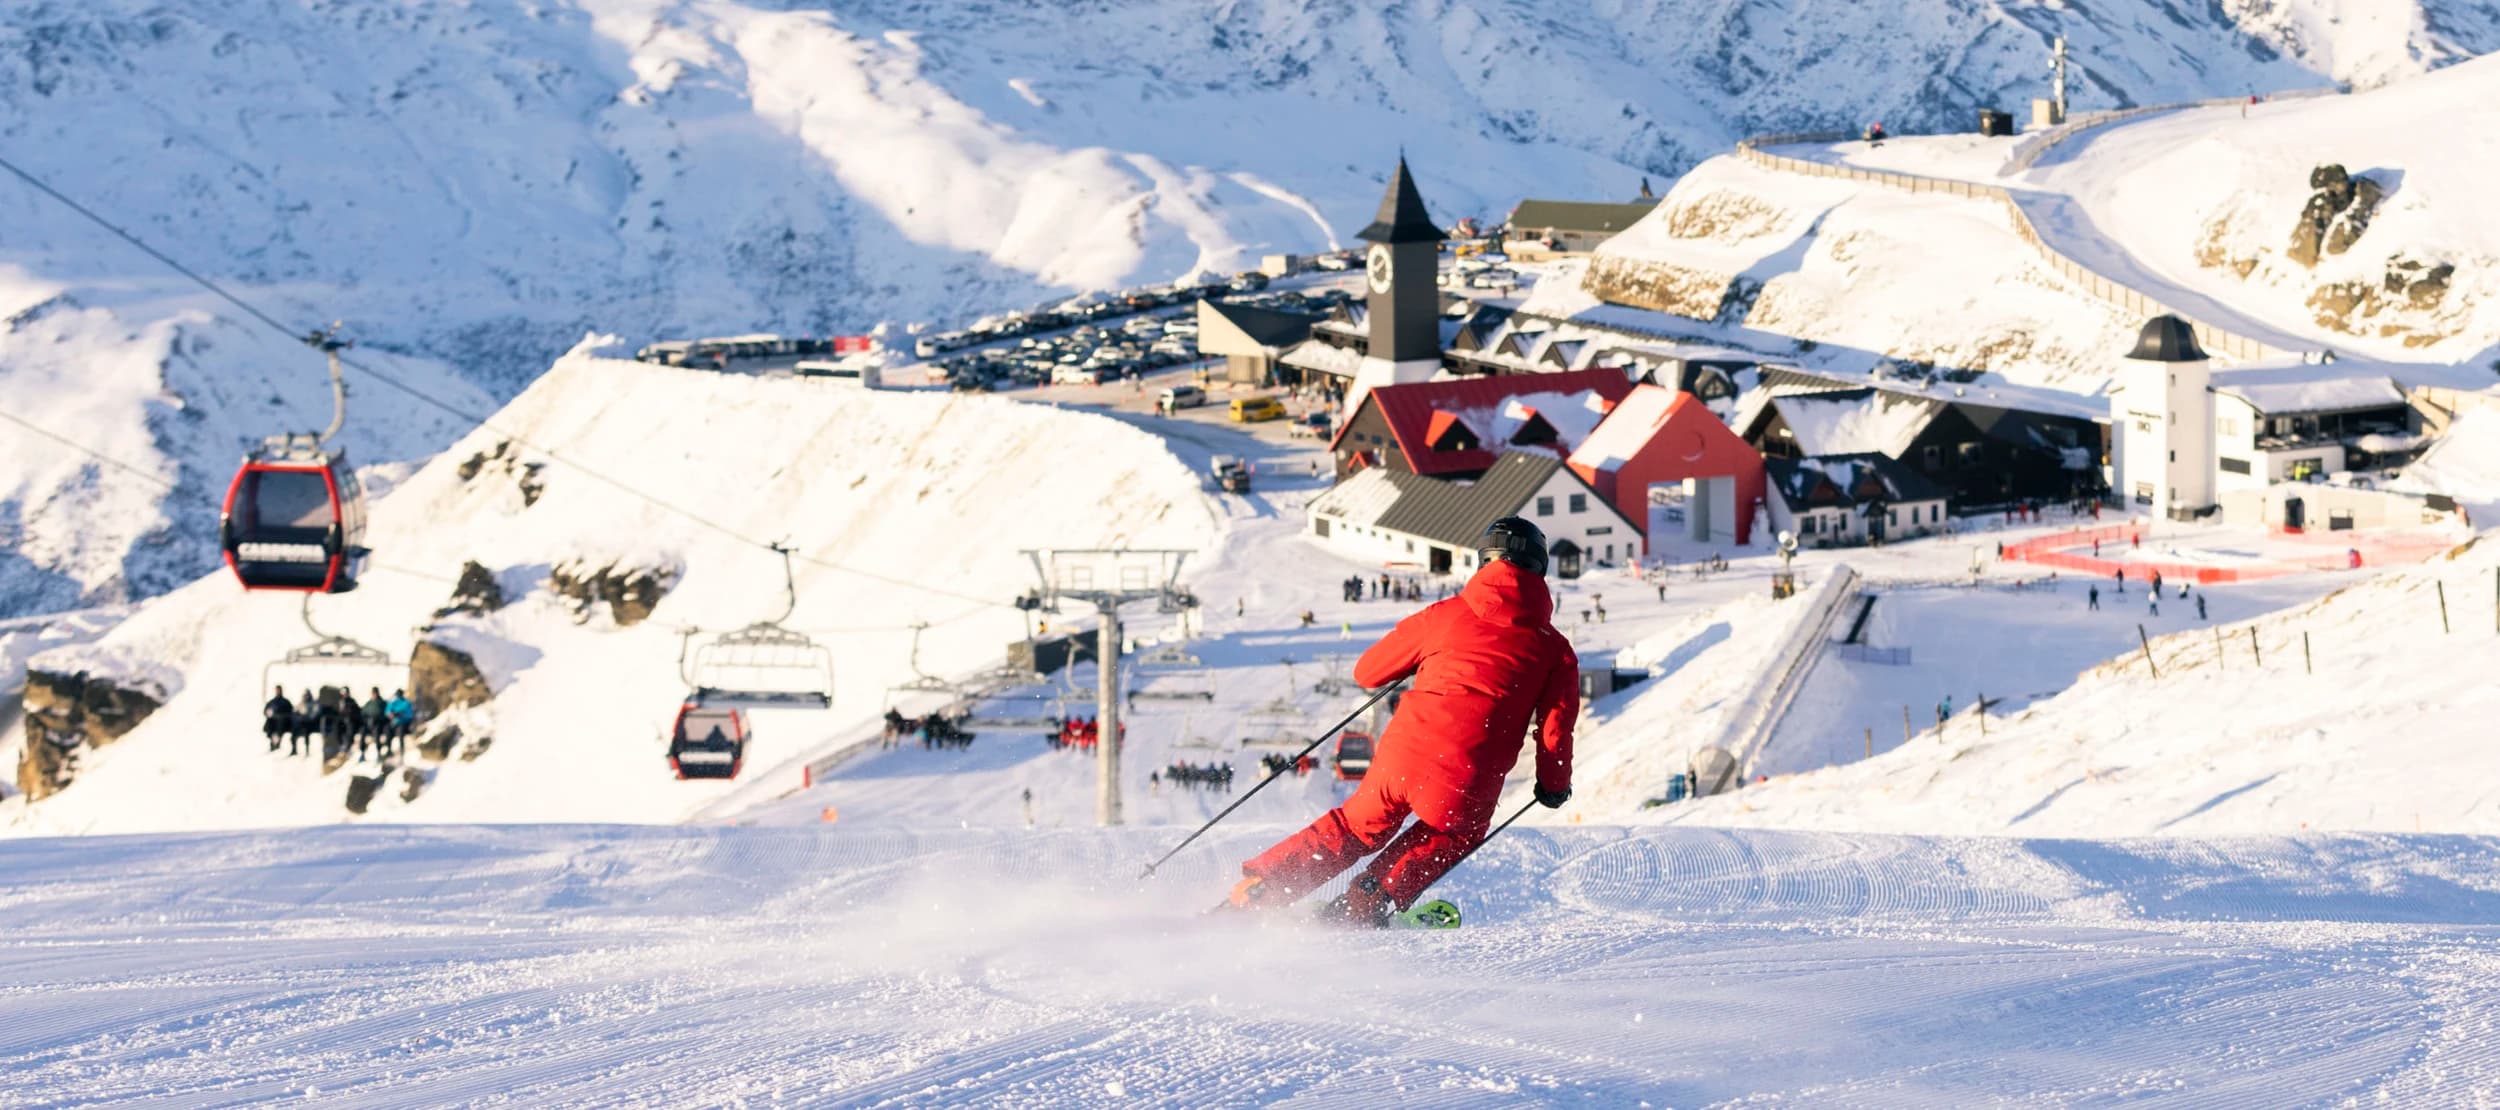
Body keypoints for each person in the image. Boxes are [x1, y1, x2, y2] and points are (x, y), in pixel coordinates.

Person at [1228, 517, 1577, 927]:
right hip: (1467, 776)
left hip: (1401, 759)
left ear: (1485, 562)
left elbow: (1367, 673)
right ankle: (1362, 905)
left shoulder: (1445, 616)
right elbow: (1556, 730)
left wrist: (1419, 661)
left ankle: (1261, 891)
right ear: (1540, 568)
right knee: (1453, 833)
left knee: (1355, 828)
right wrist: (1553, 786)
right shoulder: (1555, 649)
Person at [360, 687, 390, 760]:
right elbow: (363, 713)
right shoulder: (369, 703)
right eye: (373, 693)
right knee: (362, 732)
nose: (374, 695)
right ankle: (362, 754)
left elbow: (386, 714)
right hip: (368, 724)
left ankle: (378, 753)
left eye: (375, 693)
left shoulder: (382, 703)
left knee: (377, 734)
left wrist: (379, 719)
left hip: (379, 724)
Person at [264, 686, 294, 753]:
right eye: (276, 690)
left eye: (278, 690)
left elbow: (291, 712)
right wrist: (268, 713)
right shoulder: (272, 702)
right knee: (270, 726)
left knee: (278, 729)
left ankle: (277, 744)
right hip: (272, 722)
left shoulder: (285, 702)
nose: (277, 691)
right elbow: (266, 711)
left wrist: (283, 717)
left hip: (283, 723)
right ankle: (272, 744)